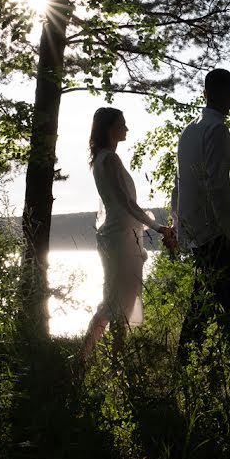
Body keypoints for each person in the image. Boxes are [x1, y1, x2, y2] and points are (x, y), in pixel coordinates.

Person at [82, 107, 174, 359]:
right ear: (110, 128)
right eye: (122, 123)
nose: (127, 128)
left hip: (120, 236)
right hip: (120, 238)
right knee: (115, 301)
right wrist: (159, 228)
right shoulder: (109, 159)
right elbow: (125, 203)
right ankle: (88, 358)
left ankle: (113, 360)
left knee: (119, 300)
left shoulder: (102, 157)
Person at [172, 68, 230, 365]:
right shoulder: (217, 130)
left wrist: (179, 226)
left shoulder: (189, 130)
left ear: (205, 94)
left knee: (205, 297)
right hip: (211, 230)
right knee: (224, 298)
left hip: (194, 229)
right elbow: (216, 184)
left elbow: (178, 183)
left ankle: (187, 362)